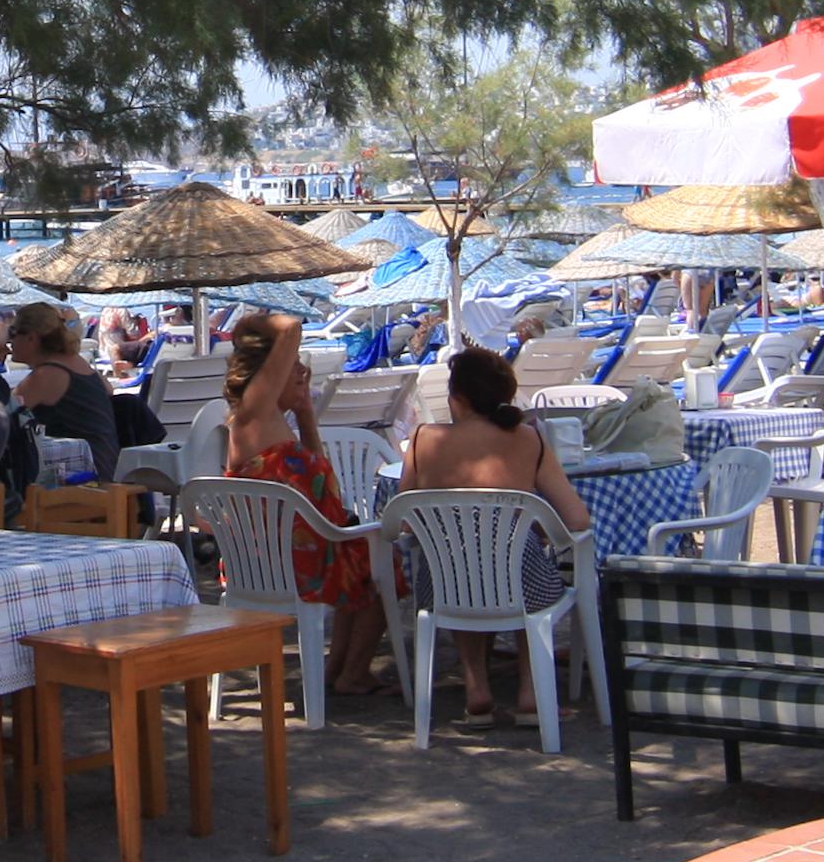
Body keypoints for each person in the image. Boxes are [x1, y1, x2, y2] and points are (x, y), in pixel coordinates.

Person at [399, 345, 593, 725]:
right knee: (522, 563)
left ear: (456, 399)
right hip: (520, 585)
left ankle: (477, 688)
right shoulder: (528, 439)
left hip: (446, 587)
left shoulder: (423, 440)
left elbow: (404, 520)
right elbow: (577, 520)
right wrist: (534, 527)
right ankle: (531, 691)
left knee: (458, 565)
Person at [219, 311, 382, 698]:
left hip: (278, 558)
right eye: (292, 366)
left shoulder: (266, 422)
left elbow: (326, 482)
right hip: (284, 565)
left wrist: (306, 412)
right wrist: (250, 325)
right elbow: (291, 326)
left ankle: (337, 669)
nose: (301, 373)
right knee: (382, 564)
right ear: (267, 375)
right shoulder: (254, 412)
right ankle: (353, 673)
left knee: (362, 556)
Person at [5, 303, 122, 478]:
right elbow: (109, 390)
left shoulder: (46, 375)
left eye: (12, 333)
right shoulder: (76, 362)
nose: (9, 341)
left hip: (80, 477)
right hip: (106, 466)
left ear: (31, 338)